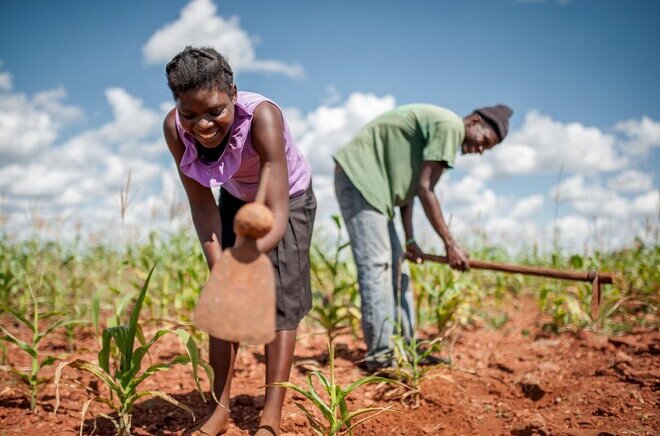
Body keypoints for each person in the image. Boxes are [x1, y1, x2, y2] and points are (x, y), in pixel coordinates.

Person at [163, 46, 316, 436]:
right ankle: (218, 411)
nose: (203, 124)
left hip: (288, 198)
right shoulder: (174, 129)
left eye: (215, 110)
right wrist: (223, 266)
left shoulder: (263, 116)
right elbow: (201, 203)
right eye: (190, 113)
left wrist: (252, 256)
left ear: (233, 92)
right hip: (234, 197)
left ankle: (271, 416)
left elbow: (276, 212)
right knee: (223, 300)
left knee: (280, 301)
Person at [333, 103, 513, 372]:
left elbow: (410, 191)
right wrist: (451, 245)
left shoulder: (440, 130)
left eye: (486, 149)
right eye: (483, 142)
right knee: (378, 268)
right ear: (475, 121)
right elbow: (425, 190)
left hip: (380, 194)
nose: (479, 150)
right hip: (360, 181)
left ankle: (408, 348)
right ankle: (381, 359)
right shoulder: (450, 126)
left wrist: (410, 240)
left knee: (399, 268)